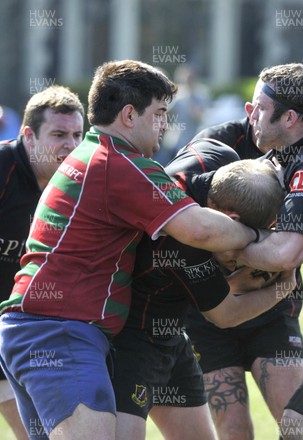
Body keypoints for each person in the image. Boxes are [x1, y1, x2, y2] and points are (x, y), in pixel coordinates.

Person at [0, 60, 262, 440]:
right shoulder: (119, 163)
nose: (166, 125)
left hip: (41, 330)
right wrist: (258, 234)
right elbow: (200, 230)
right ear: (128, 115)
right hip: (60, 331)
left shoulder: (90, 155)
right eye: (159, 114)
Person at [112, 144, 297, 440]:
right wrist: (284, 286)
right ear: (233, 220)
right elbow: (225, 314)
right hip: (133, 341)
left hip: (174, 335)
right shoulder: (186, 241)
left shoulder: (216, 157)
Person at [215, 63, 303, 439]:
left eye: (260, 109)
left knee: (301, 426)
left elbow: (284, 254)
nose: (251, 116)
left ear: (290, 117)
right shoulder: (293, 152)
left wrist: (225, 246)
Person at [179, 80, 303, 440]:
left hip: (273, 314)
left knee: (301, 425)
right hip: (210, 315)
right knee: (234, 430)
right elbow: (223, 307)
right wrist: (279, 278)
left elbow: (302, 243)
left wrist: (280, 274)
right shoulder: (211, 153)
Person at [0, 85, 84, 440]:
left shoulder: (81, 181)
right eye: (59, 134)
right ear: (28, 136)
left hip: (23, 325)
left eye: (78, 135)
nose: (71, 145)